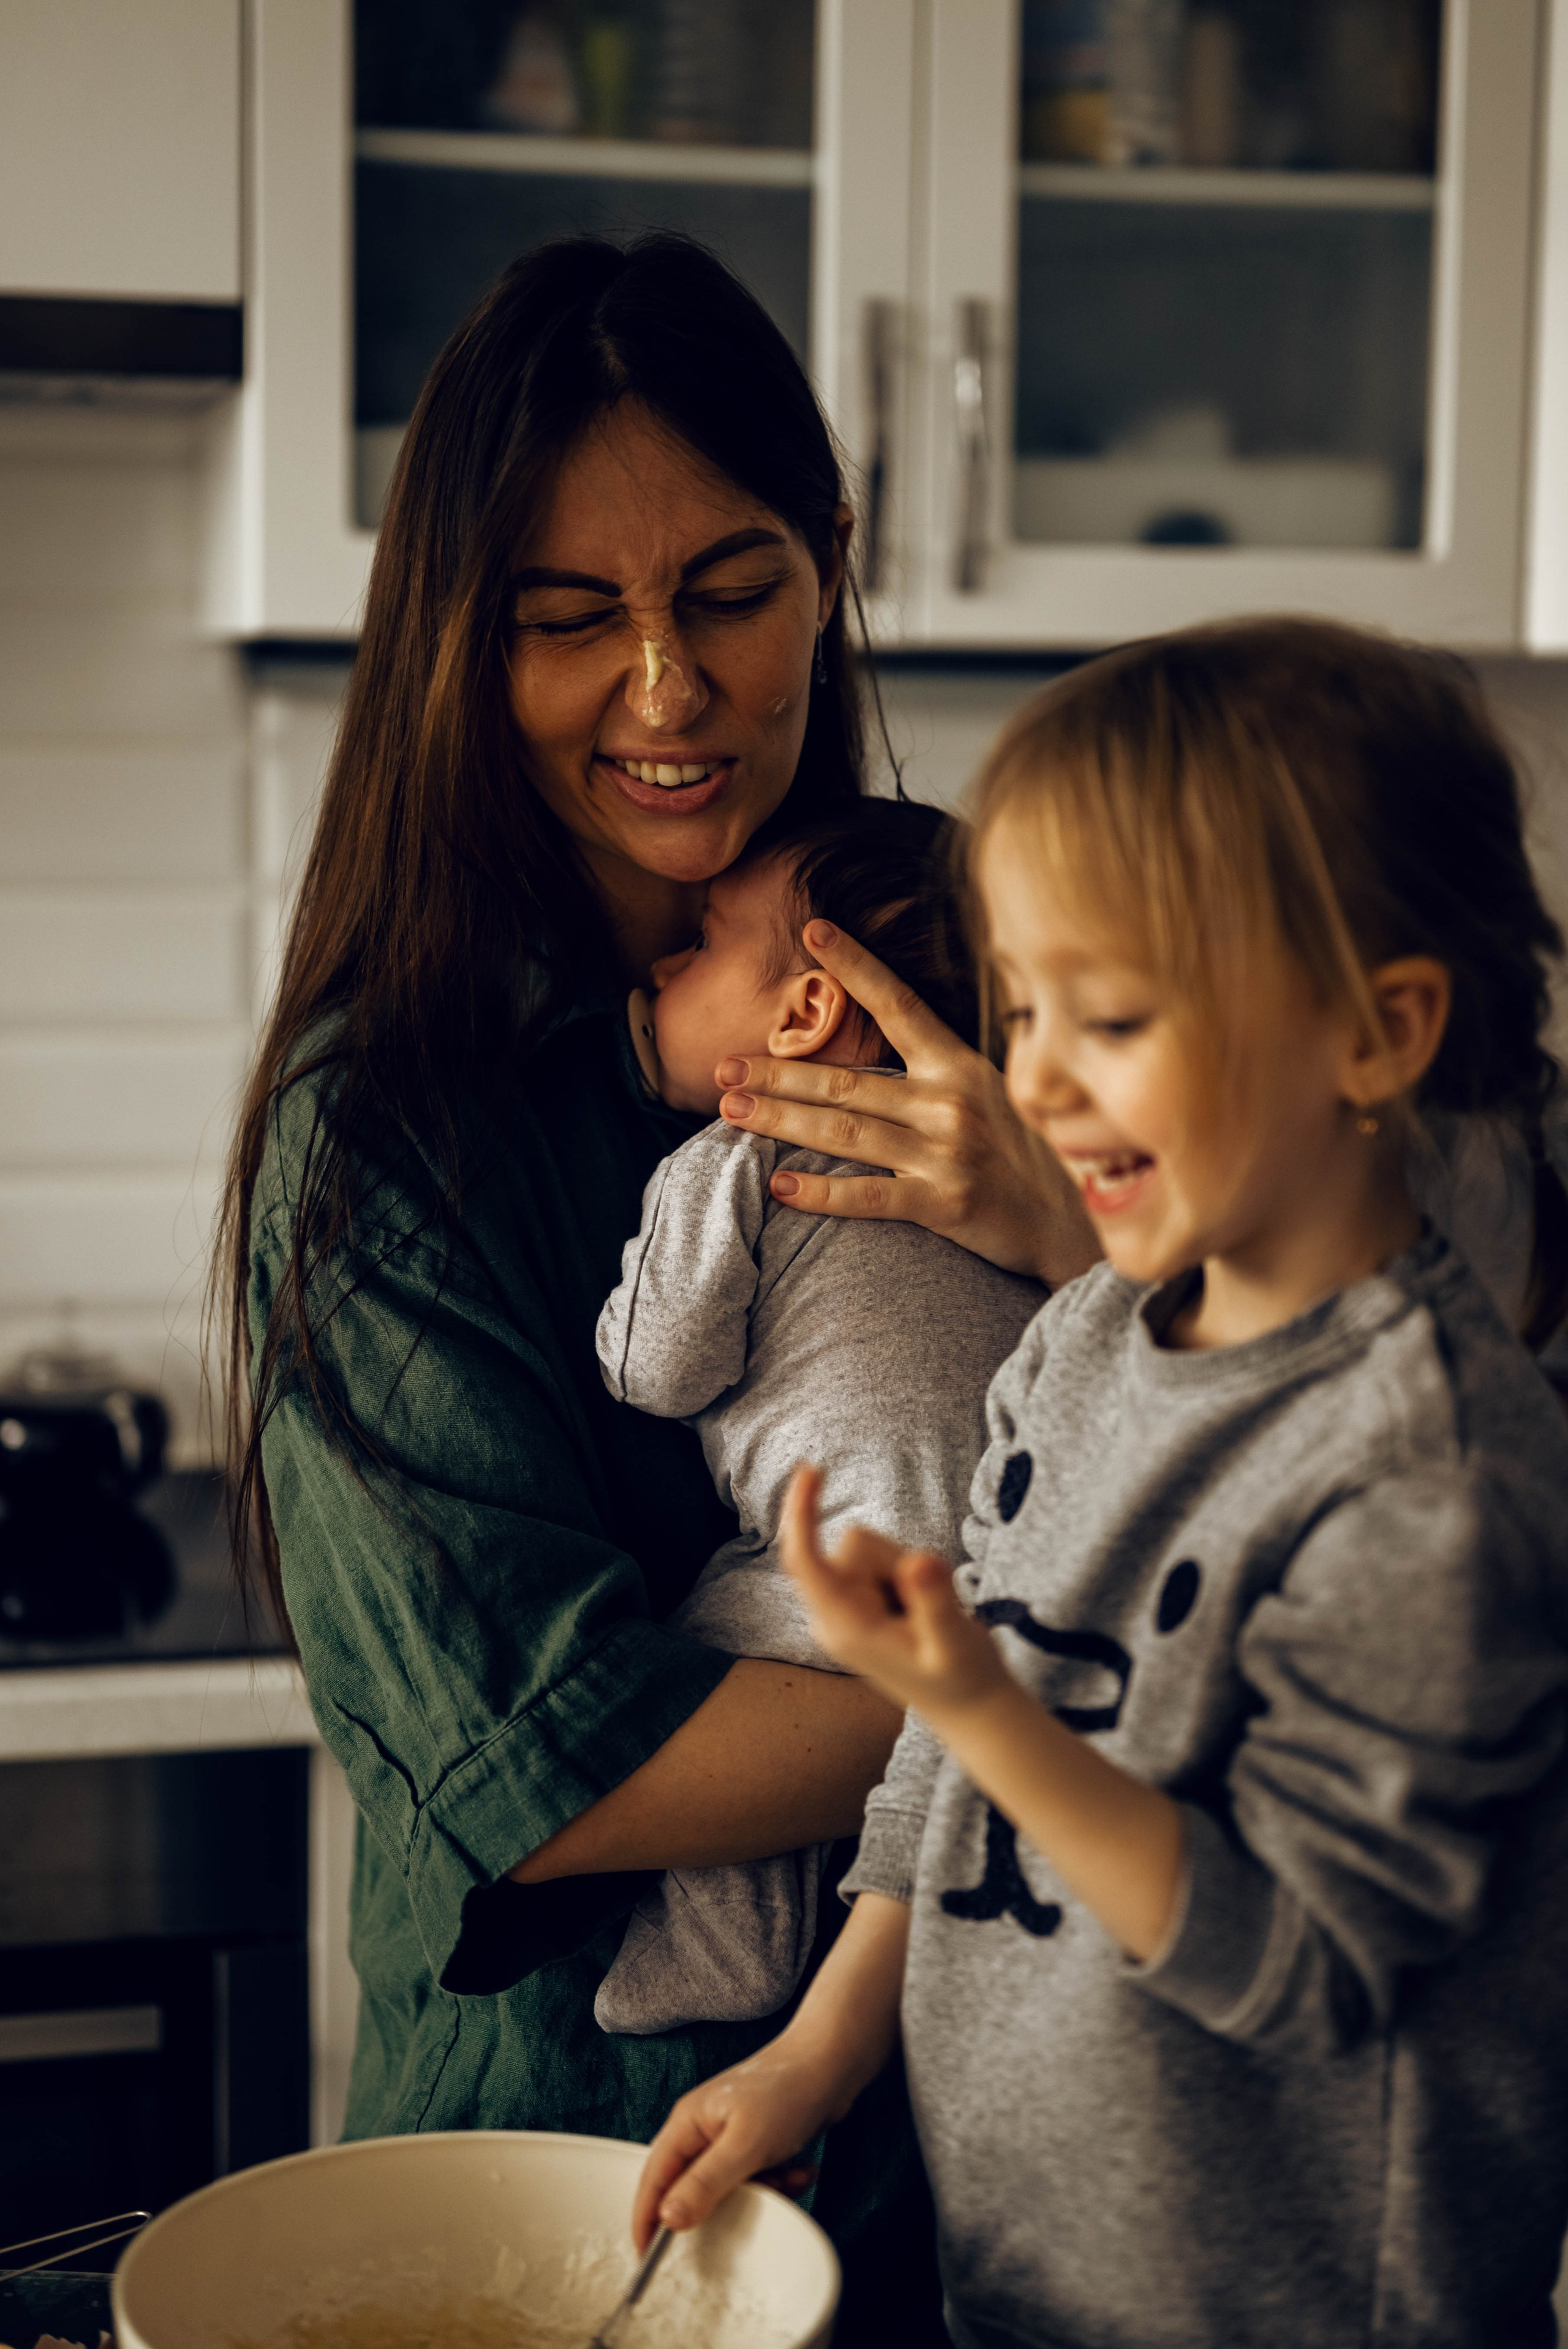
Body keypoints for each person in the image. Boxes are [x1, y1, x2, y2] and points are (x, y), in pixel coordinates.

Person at [213, 232, 1098, 2347]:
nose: (670, 691)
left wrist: (1069, 1250)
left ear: (834, 557)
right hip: (594, 2185)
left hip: (1015, 2174)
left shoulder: (1013, 983)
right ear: (455, 636)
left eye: (728, 590)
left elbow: (1295, 1420)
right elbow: (568, 1766)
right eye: (565, 621)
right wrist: (1069, 1683)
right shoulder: (388, 1130)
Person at [633, 618, 1568, 2349]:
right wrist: (814, 2056)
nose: (1036, 1080)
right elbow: (959, 1752)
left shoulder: (1432, 1483)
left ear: (1379, 1033)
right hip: (1033, 2291)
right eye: (1028, 1003)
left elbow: (1300, 1961)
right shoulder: (1078, 1345)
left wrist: (979, 1707)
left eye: (1113, 1015)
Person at [594, 798, 1042, 2037]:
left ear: (802, 1014)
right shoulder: (994, 1157)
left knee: (709, 1660)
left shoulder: (727, 1157)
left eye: (701, 939)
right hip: (1010, 1565)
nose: (664, 964)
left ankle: (711, 1966)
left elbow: (658, 1366)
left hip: (834, 1564)